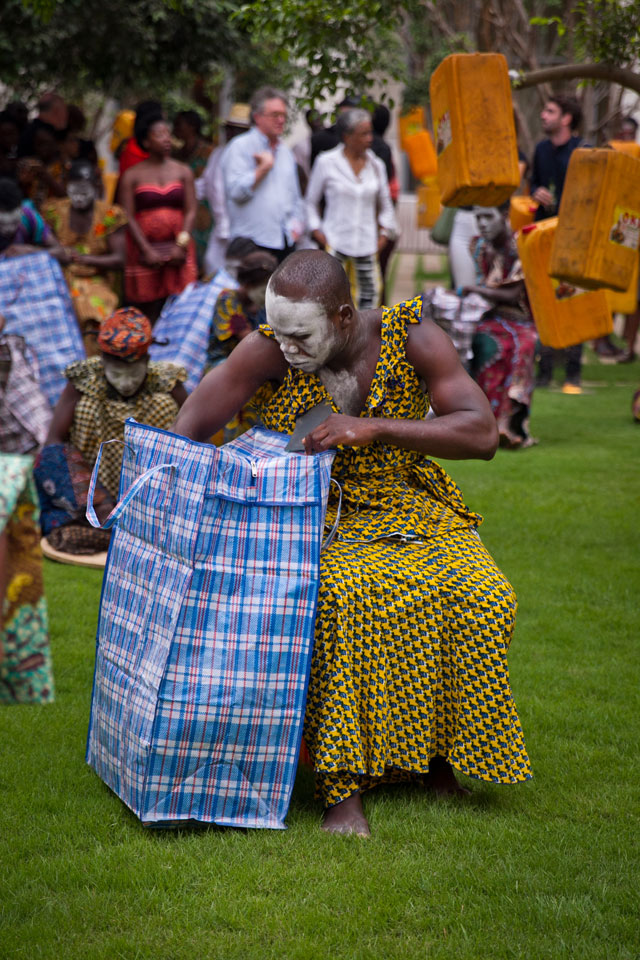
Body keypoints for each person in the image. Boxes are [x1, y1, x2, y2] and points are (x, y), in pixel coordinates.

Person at [173, 249, 532, 837]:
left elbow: (482, 432)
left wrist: (374, 428)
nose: (285, 345)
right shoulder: (266, 348)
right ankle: (343, 791)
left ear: (343, 316)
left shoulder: (411, 336)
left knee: (480, 593)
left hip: (407, 498)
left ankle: (437, 760)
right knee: (344, 598)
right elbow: (187, 430)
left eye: (300, 335)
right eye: (278, 329)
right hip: (311, 509)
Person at [44, 307, 188, 503]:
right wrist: (92, 496)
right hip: (97, 490)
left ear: (146, 362)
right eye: (117, 374)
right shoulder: (84, 379)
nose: (126, 383)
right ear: (102, 362)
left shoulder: (166, 381)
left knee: (164, 405)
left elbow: (199, 437)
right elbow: (54, 441)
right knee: (88, 407)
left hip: (155, 490)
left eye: (134, 373)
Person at [461, 206, 538, 448]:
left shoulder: (522, 245)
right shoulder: (480, 247)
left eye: (488, 216)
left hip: (522, 319)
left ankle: (506, 423)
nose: (482, 223)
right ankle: (481, 423)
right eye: (478, 217)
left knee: (519, 345)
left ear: (504, 216)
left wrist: (474, 290)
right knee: (477, 343)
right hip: (489, 317)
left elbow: (513, 293)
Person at [306, 107, 397, 309]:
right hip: (335, 245)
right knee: (330, 304)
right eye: (363, 133)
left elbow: (386, 206)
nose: (370, 138)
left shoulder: (376, 165)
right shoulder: (326, 162)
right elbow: (310, 203)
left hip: (367, 247)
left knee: (369, 306)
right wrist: (318, 232)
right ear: (347, 136)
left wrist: (383, 236)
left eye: (370, 132)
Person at [530, 95, 592, 391]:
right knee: (544, 301)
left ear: (566, 118)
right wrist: (536, 192)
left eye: (550, 111)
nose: (543, 115)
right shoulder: (541, 149)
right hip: (544, 236)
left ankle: (572, 373)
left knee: (575, 301)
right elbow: (533, 184)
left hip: (575, 238)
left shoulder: (583, 151)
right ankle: (543, 373)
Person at [120, 115, 197, 324]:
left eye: (168, 134)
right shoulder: (132, 175)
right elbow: (127, 215)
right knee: (148, 310)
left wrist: (181, 245)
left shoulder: (183, 171)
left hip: (177, 246)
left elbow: (190, 210)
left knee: (181, 305)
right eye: (159, 134)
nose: (166, 139)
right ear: (145, 141)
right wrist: (145, 250)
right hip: (145, 249)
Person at [42, 160, 127, 348]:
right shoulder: (54, 210)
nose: (79, 195)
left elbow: (120, 259)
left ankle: (92, 365)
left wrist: (84, 259)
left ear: (96, 187)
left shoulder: (109, 214)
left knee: (95, 310)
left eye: (85, 188)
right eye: (75, 188)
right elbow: (41, 249)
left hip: (96, 278)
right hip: (61, 277)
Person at [221, 87, 304, 262]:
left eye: (283, 115)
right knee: (254, 290)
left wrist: (297, 225)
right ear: (257, 117)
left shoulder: (285, 152)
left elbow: (295, 196)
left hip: (285, 241)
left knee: (280, 290)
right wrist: (262, 170)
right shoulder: (240, 147)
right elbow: (235, 193)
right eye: (275, 115)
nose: (281, 120)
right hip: (252, 242)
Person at [196, 103, 251, 277]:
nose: (232, 134)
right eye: (230, 129)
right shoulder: (217, 154)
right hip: (220, 232)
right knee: (213, 267)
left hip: (246, 231)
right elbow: (203, 186)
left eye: (239, 130)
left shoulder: (253, 158)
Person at [173, 110, 213, 273]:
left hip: (205, 213)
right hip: (182, 210)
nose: (175, 128)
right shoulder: (177, 154)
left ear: (192, 127)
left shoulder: (208, 152)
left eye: (179, 124)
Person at [0, 177, 62, 259]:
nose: (9, 229)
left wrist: (31, 251)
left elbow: (60, 252)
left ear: (21, 209)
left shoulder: (29, 216)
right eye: (2, 224)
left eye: (15, 222)